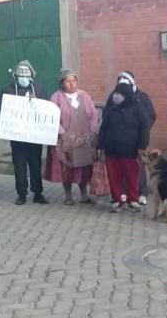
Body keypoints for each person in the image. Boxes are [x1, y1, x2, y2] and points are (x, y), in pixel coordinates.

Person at [0, 61, 49, 205]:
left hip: (34, 138)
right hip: (17, 138)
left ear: (32, 76)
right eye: (20, 76)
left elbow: (46, 108)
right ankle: (21, 194)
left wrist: (36, 102)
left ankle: (38, 193)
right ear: (15, 76)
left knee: (36, 165)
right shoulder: (7, 90)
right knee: (19, 166)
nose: (23, 79)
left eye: (26, 76)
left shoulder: (38, 90)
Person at [45, 68, 98, 205]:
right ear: (62, 84)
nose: (71, 84)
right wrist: (62, 132)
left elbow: (93, 114)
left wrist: (92, 131)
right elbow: (51, 117)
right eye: (67, 81)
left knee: (83, 167)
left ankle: (84, 195)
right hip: (66, 140)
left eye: (73, 80)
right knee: (67, 168)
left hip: (84, 139)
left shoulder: (84, 96)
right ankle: (68, 196)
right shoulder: (56, 97)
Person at [106, 70, 156, 205]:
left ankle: (141, 192)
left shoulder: (142, 97)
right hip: (116, 143)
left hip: (137, 141)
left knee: (137, 169)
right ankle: (122, 193)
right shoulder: (113, 97)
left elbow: (150, 116)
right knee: (119, 170)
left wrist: (141, 133)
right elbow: (106, 116)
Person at [98, 82, 149, 213]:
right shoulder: (110, 109)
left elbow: (145, 128)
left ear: (126, 95)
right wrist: (101, 147)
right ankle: (117, 200)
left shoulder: (138, 108)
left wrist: (142, 147)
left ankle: (133, 200)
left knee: (132, 176)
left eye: (119, 94)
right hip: (112, 150)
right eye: (115, 93)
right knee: (114, 177)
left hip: (130, 151)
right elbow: (103, 129)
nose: (116, 96)